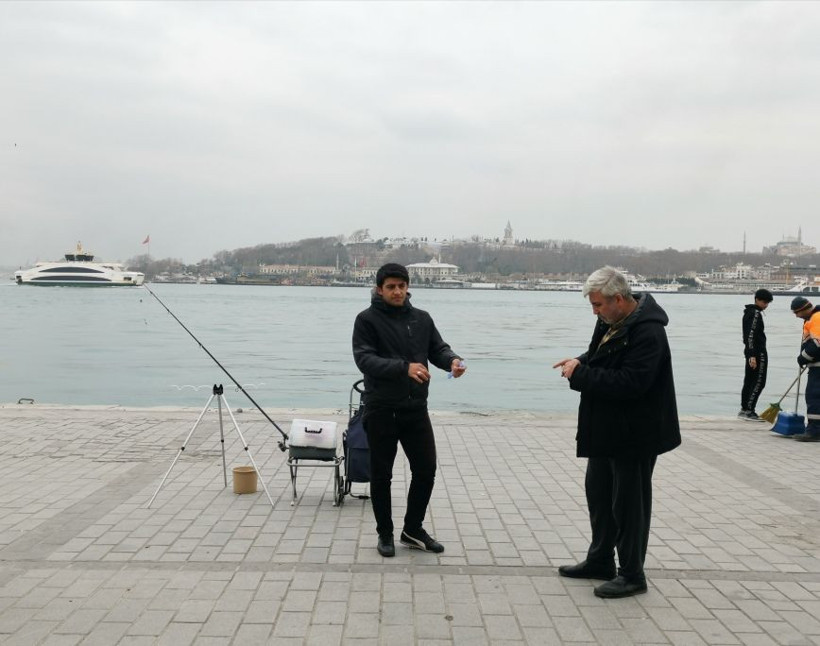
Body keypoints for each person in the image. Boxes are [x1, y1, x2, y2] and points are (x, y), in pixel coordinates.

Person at [553, 266, 681, 599]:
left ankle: (632, 574)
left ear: (619, 299)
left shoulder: (648, 333)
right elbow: (598, 357)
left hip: (636, 433)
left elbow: (631, 383)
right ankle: (600, 560)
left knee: (629, 505)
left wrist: (579, 376)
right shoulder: (609, 321)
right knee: (599, 494)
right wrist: (578, 362)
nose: (594, 311)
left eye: (597, 305)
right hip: (606, 429)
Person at [352, 263, 466, 557]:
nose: (397, 291)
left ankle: (412, 529)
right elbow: (365, 359)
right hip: (381, 409)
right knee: (382, 475)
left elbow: (438, 348)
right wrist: (404, 368)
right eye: (390, 287)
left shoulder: (422, 318)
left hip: (416, 408)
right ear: (379, 289)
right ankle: (385, 533)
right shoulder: (366, 320)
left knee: (426, 470)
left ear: (407, 287)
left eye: (401, 286)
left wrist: (452, 360)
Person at [739, 289, 773, 422]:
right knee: (759, 381)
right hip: (758, 352)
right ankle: (749, 410)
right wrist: (752, 355)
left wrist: (749, 353)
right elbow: (751, 335)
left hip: (751, 351)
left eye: (768, 303)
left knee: (749, 380)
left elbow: (747, 336)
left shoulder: (748, 313)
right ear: (757, 299)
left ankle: (744, 409)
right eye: (764, 302)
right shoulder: (755, 314)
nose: (766, 305)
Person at [791, 296, 820, 442]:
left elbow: (817, 344)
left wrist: (803, 358)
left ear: (804, 309)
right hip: (816, 365)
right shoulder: (814, 318)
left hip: (818, 367)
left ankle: (814, 431)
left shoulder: (816, 318)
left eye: (797, 312)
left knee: (814, 396)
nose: (796, 316)